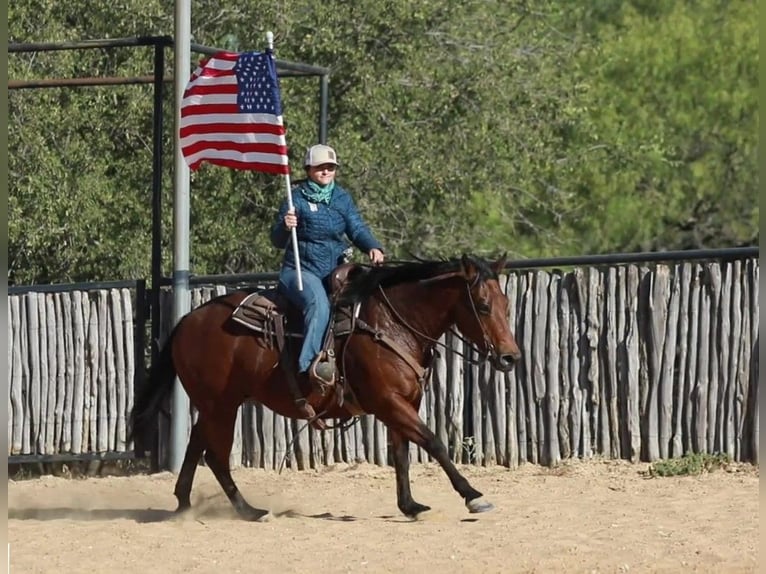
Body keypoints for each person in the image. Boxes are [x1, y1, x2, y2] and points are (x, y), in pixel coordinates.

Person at [270, 144, 385, 393]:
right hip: (300, 272)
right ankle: (309, 367)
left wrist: (372, 247)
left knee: (365, 304)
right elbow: (277, 241)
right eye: (321, 167)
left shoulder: (341, 198)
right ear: (309, 169)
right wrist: (285, 226)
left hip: (334, 271)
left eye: (330, 168)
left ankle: (350, 366)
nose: (326, 172)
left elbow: (356, 228)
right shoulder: (295, 199)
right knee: (319, 305)